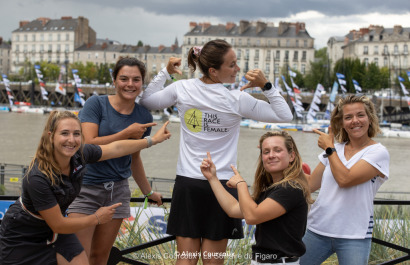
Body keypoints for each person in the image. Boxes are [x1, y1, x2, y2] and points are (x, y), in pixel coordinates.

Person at [140, 39, 293, 264]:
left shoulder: (182, 88)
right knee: (213, 261)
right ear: (213, 70)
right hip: (223, 184)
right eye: (232, 65)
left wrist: (165, 72)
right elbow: (284, 115)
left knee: (185, 260)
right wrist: (266, 85)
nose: (238, 69)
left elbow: (146, 101)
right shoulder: (236, 99)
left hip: (188, 182)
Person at [0, 111, 171, 265]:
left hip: (56, 231)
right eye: (64, 133)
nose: (71, 140)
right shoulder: (37, 178)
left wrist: (152, 140)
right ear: (50, 136)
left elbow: (115, 148)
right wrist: (96, 218)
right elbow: (59, 224)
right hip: (22, 234)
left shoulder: (80, 155)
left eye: (76, 134)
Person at [67, 56, 163, 265]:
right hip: (85, 187)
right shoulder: (96, 104)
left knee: (100, 257)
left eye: (136, 80)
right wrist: (126, 132)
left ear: (142, 83)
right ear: (114, 80)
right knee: (78, 255)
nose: (130, 84)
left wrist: (147, 192)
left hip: (117, 191)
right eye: (124, 78)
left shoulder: (143, 114)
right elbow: (89, 144)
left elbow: (134, 156)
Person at [301, 95, 390, 265]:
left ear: (370, 118)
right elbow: (310, 184)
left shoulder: (378, 152)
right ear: (341, 122)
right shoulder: (335, 150)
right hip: (318, 229)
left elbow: (345, 179)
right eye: (348, 117)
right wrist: (284, 164)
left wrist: (329, 148)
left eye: (360, 115)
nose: (355, 121)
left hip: (355, 235)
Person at [200, 130, 313, 265]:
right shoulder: (272, 189)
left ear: (291, 156)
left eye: (277, 150)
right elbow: (233, 209)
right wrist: (213, 178)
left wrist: (241, 185)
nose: (271, 155)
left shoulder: (290, 188)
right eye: (266, 152)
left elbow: (252, 217)